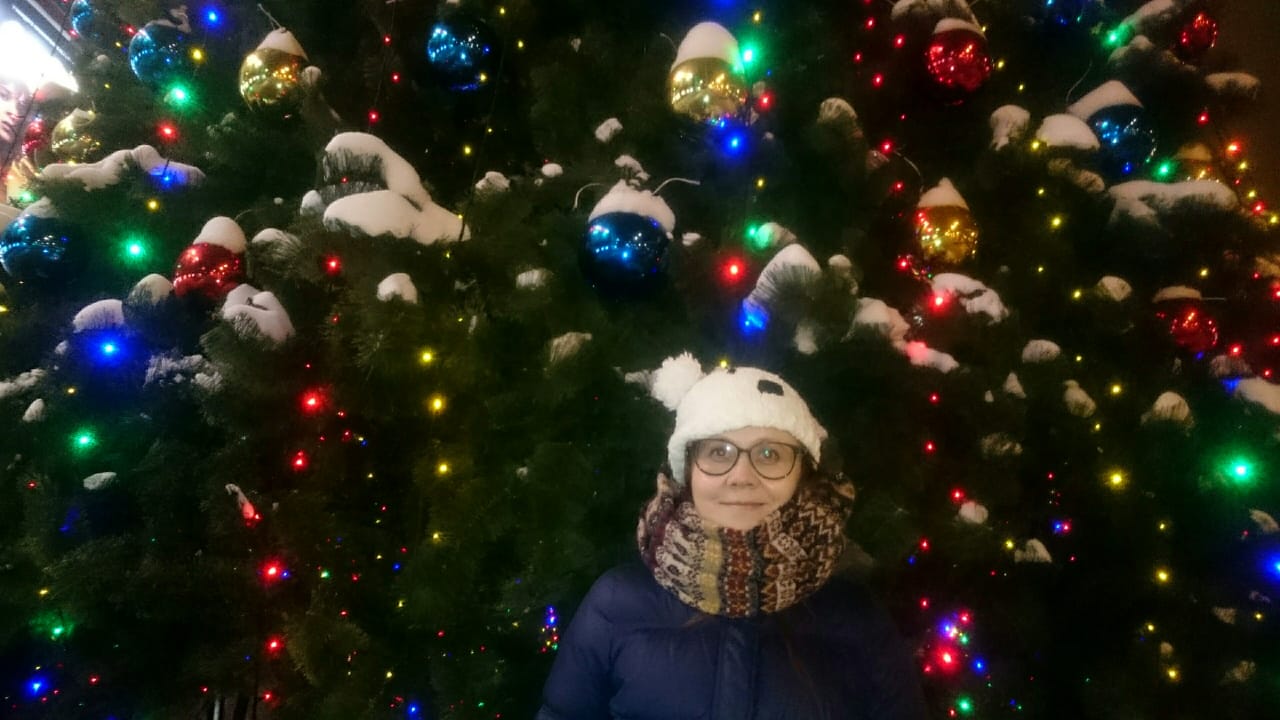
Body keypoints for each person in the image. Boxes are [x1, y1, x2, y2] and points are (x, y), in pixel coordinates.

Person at [537, 360, 929, 719]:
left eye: (770, 454)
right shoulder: (616, 602)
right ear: (688, 470)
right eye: (718, 452)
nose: (741, 476)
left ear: (803, 473)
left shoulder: (858, 618)